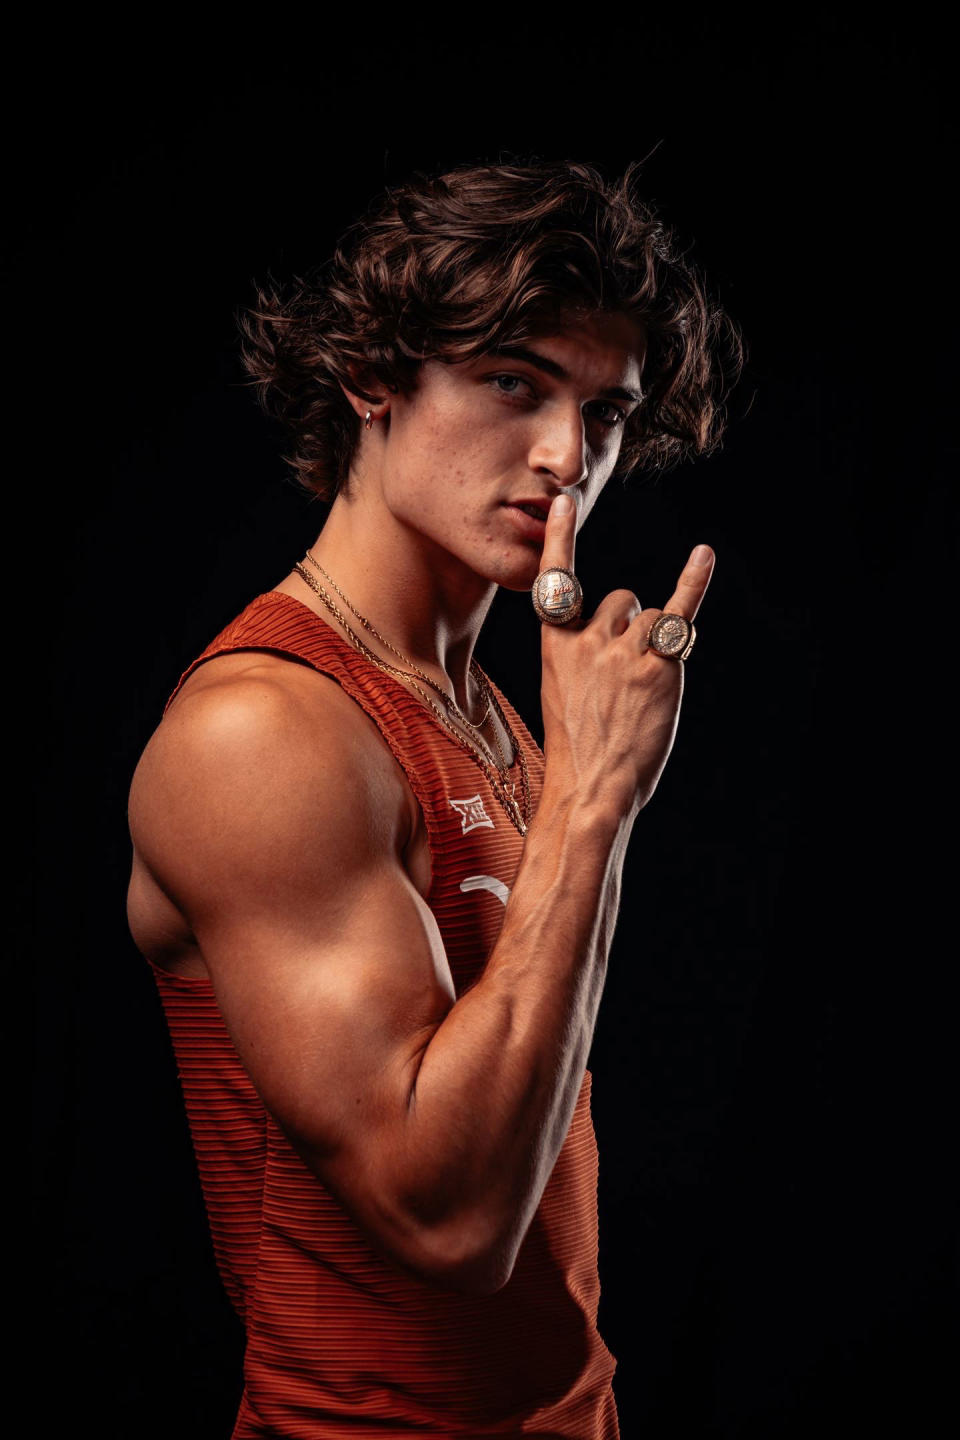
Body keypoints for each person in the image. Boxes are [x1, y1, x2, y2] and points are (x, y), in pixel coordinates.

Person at [126, 158, 742, 1439]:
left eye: (607, 414)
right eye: (514, 383)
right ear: (373, 378)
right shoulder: (266, 729)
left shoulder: (497, 711)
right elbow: (448, 1216)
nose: (569, 456)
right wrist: (593, 800)